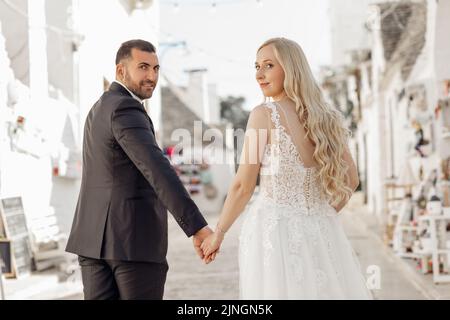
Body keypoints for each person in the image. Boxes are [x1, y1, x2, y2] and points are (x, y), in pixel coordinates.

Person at [200, 37, 373, 299]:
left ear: (291, 69)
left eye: (268, 65)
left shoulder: (263, 115)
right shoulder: (328, 118)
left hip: (274, 234)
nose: (259, 74)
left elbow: (242, 185)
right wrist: (319, 215)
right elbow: (351, 180)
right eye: (256, 66)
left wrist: (219, 234)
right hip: (322, 231)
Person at [66, 39, 212, 300]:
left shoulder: (98, 109)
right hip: (131, 243)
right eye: (143, 67)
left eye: (156, 69)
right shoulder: (127, 107)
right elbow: (156, 169)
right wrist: (197, 227)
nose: (152, 76)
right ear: (121, 71)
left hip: (92, 242)